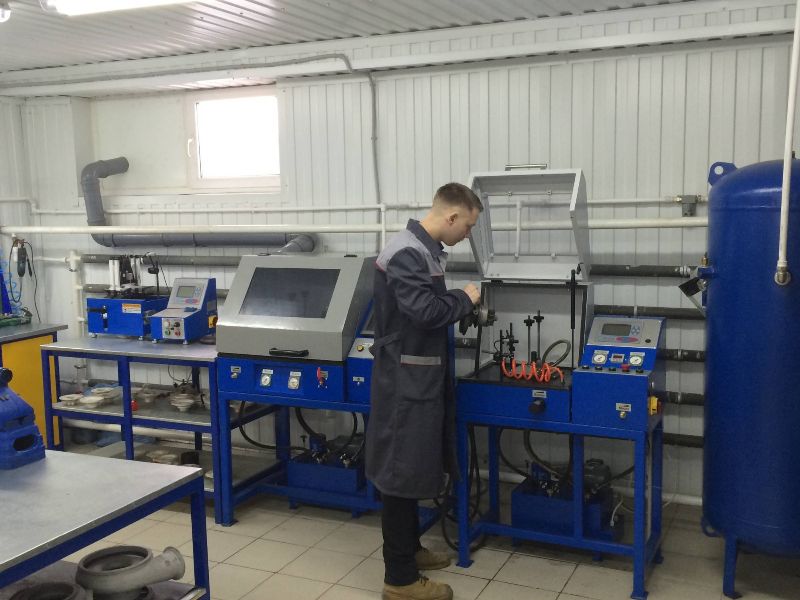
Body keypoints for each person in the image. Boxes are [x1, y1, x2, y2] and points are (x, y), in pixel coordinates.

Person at [366, 182, 483, 600]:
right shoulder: (407, 253)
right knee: (400, 473)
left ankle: (410, 550)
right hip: (404, 382)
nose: (467, 235)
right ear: (451, 217)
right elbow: (426, 311)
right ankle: (399, 580)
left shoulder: (424, 251)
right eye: (467, 227)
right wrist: (464, 299)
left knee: (412, 466)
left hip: (418, 376)